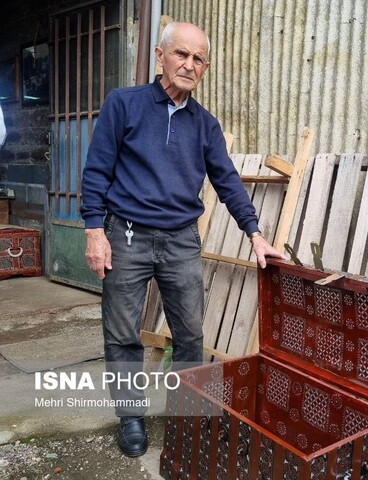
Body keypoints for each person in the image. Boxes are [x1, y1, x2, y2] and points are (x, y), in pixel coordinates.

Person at [80, 21, 285, 457]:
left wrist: (254, 232)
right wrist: (95, 233)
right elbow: (96, 171)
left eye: (199, 59)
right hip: (127, 235)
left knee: (190, 333)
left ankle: (187, 412)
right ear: (160, 56)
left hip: (180, 241)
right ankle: (131, 417)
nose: (189, 65)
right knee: (122, 334)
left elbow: (227, 180)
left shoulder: (205, 124)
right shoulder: (124, 104)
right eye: (181, 55)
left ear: (204, 68)